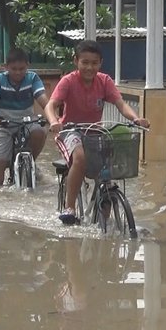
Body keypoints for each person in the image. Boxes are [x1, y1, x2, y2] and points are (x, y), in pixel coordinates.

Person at [45, 40, 150, 225]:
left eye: (94, 63)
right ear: (76, 61)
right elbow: (50, 105)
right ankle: (70, 207)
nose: (89, 67)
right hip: (70, 132)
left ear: (100, 63)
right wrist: (54, 121)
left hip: (95, 132)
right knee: (80, 158)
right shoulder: (68, 81)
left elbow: (121, 104)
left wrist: (136, 119)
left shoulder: (105, 81)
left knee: (109, 167)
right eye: (85, 62)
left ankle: (104, 218)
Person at [0, 48, 50, 185]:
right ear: (6, 67)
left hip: (27, 123)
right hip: (2, 124)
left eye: (22, 68)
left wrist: (53, 118)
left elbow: (44, 100)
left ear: (27, 66)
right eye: (14, 69)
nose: (18, 72)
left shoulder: (32, 78)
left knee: (39, 131)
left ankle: (30, 162)